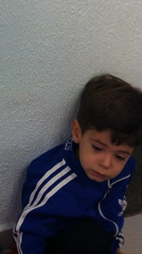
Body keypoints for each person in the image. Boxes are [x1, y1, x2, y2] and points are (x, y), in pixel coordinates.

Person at [13, 74, 142, 254]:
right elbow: (29, 232)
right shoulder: (52, 179)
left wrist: (114, 246)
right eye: (97, 148)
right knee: (87, 236)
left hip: (91, 235)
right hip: (59, 242)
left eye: (120, 156)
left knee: (96, 237)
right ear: (77, 132)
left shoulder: (124, 170)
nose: (106, 164)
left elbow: (113, 211)